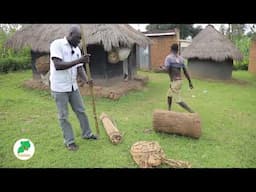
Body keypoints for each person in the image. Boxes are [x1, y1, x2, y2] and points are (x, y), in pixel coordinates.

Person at [50, 25, 97, 151]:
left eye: (80, 39)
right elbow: (58, 65)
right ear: (70, 34)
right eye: (77, 38)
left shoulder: (77, 49)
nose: (79, 41)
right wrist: (79, 60)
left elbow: (80, 68)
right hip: (59, 88)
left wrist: (87, 80)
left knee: (81, 111)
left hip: (73, 86)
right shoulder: (57, 44)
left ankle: (87, 134)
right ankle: (69, 141)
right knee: (63, 116)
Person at [163, 43, 194, 113]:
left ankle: (192, 112)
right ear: (177, 50)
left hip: (175, 81)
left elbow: (167, 69)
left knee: (178, 100)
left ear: (171, 49)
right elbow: (185, 71)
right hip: (179, 81)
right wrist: (190, 82)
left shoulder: (169, 58)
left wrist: (162, 68)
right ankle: (169, 110)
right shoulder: (181, 59)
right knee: (169, 95)